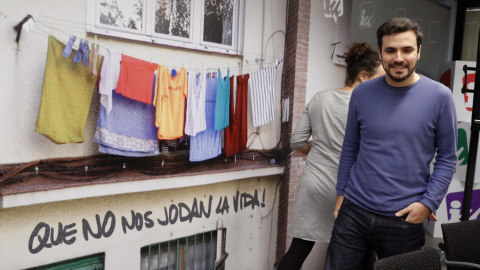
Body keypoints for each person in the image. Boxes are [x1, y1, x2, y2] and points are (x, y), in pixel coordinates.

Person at [325, 17, 457, 270]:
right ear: (380, 53)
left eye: (407, 49)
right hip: (354, 210)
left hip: (404, 217)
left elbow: (448, 157)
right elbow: (350, 147)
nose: (399, 57)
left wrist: (428, 202)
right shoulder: (362, 93)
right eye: (390, 50)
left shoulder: (440, 97)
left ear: (418, 51)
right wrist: (341, 193)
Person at [277, 42, 385, 270]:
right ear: (364, 77)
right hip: (350, 191)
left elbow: (296, 141)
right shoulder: (370, 108)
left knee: (299, 249)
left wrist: (315, 151)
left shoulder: (320, 98)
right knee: (363, 252)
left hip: (314, 185)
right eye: (380, 77)